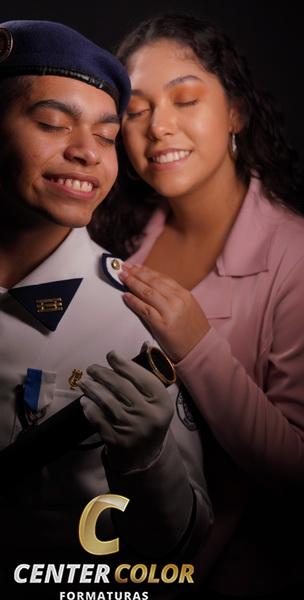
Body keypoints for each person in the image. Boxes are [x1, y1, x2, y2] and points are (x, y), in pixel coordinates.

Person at [0, 19, 212, 595]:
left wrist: (148, 461)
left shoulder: (135, 318)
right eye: (52, 124)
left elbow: (178, 549)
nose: (86, 152)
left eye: (107, 136)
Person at [87, 13, 304, 600]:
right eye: (136, 112)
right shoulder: (120, 237)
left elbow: (295, 472)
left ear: (236, 112)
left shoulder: (294, 257)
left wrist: (198, 345)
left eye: (185, 100)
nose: (159, 127)